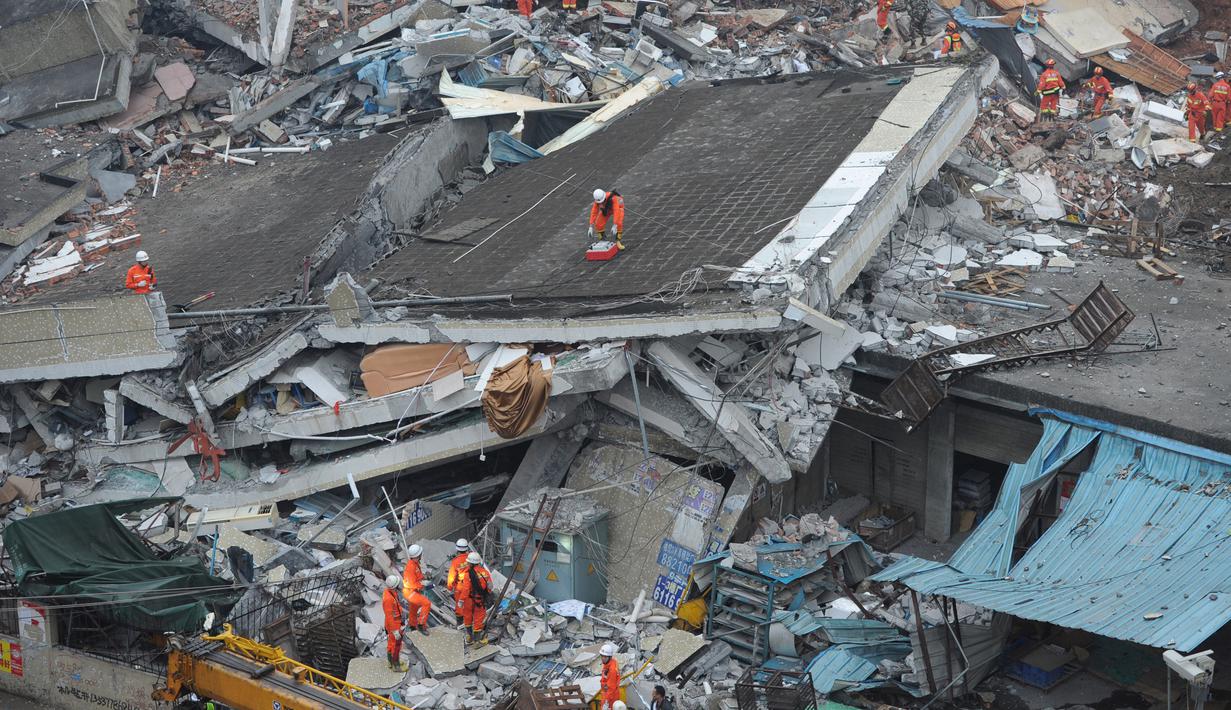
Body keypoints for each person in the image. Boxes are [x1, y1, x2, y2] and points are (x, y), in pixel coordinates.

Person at [457, 552, 492, 645]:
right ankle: (477, 640)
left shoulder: (467, 574)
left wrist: (461, 600)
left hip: (469, 599)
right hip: (480, 600)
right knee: (478, 619)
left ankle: (469, 637)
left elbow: (466, 589)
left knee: (467, 616)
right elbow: (490, 586)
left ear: (471, 563)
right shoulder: (485, 572)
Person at [401, 544, 432, 636]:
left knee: (413, 609)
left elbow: (417, 576)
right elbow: (411, 583)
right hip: (410, 591)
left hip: (411, 590)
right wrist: (422, 585)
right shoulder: (411, 567)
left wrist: (424, 577)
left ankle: (413, 626)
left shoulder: (414, 563)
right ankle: (421, 625)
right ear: (418, 555)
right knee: (426, 603)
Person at [382, 574, 407, 670]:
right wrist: (395, 631)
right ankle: (395, 665)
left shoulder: (390, 592)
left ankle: (390, 662)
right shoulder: (388, 599)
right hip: (394, 624)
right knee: (396, 645)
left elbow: (395, 606)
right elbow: (389, 616)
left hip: (396, 622)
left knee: (391, 644)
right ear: (395, 586)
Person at [445, 538, 470, 625]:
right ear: (467, 548)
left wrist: (449, 587)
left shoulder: (456, 562)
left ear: (457, 549)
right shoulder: (471, 557)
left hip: (461, 586)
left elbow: (451, 577)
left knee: (460, 606)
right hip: (472, 584)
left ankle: (460, 624)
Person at [600, 642, 621, 710]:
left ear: (609, 657)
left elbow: (611, 688)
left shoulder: (612, 670)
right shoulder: (609, 663)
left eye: (605, 656)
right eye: (602, 656)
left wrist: (606, 702)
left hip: (610, 698)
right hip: (607, 694)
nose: (603, 658)